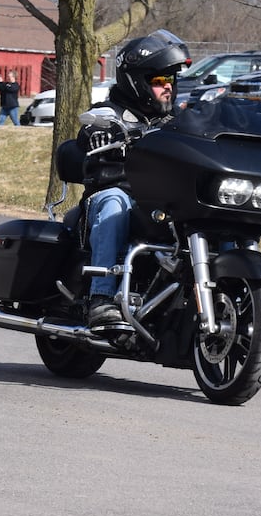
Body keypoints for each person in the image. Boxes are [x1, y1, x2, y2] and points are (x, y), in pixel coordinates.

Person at [78, 30, 190, 333]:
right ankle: (100, 298)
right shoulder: (111, 113)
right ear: (136, 82)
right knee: (115, 202)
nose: (168, 88)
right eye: (158, 82)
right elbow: (90, 126)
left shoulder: (175, 122)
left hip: (159, 201)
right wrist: (100, 134)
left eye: (170, 81)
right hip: (115, 196)